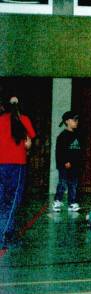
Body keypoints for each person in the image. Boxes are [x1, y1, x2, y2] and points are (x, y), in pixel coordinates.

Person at [0, 96, 35, 249]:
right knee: (12, 201)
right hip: (16, 165)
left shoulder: (0, 119)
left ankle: (7, 233)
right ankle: (4, 236)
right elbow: (28, 143)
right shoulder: (23, 119)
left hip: (1, 164)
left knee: (2, 200)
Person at [52, 111, 82, 212]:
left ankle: (72, 203)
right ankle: (57, 201)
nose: (76, 122)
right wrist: (65, 162)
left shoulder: (77, 135)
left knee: (73, 184)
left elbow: (78, 150)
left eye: (77, 120)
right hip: (64, 165)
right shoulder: (63, 136)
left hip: (75, 165)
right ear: (67, 121)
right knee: (63, 183)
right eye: (74, 120)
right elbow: (60, 152)